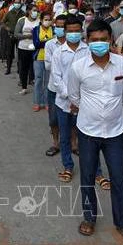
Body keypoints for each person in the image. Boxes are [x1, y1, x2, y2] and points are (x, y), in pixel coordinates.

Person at [67, 20, 123, 245]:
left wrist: (109, 111)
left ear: (110, 40)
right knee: (88, 177)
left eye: (103, 39)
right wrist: (93, 111)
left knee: (119, 178)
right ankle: (89, 217)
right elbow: (74, 97)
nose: (99, 44)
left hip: (115, 132)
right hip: (88, 130)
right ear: (87, 41)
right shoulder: (78, 67)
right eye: (94, 40)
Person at [51, 15, 88, 182]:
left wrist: (79, 99)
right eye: (70, 31)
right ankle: (68, 166)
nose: (73, 34)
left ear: (81, 31)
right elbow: (56, 78)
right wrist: (71, 97)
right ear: (65, 32)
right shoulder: (59, 52)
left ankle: (95, 170)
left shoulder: (88, 50)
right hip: (63, 102)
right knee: (65, 136)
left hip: (85, 102)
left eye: (77, 31)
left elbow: (90, 76)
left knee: (87, 137)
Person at [44, 14, 67, 157]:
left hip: (72, 88)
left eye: (62, 27)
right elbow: (48, 66)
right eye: (57, 26)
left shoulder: (79, 46)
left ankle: (73, 144)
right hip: (54, 87)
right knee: (53, 118)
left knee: (73, 118)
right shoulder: (50, 44)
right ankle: (55, 143)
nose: (60, 29)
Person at [15, 6, 39, 96]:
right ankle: (24, 87)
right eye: (34, 10)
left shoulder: (39, 21)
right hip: (23, 47)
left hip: (35, 48)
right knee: (24, 68)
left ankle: (33, 82)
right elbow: (16, 34)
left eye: (37, 11)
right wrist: (27, 36)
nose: (35, 12)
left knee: (35, 68)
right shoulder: (22, 20)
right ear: (29, 11)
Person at [31, 11, 53, 111]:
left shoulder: (54, 30)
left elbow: (55, 44)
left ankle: (47, 102)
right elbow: (36, 44)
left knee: (48, 81)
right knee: (38, 80)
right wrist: (49, 41)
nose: (47, 21)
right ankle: (37, 102)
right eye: (46, 20)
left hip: (50, 59)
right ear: (41, 20)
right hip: (38, 58)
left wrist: (43, 42)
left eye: (49, 20)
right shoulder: (36, 29)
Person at [1, 0, 25, 75]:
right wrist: (6, 28)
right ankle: (8, 68)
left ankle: (19, 69)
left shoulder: (23, 14)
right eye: (16, 2)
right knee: (9, 53)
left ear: (21, 4)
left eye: (18, 3)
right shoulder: (9, 13)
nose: (17, 4)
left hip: (19, 36)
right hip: (10, 35)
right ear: (13, 4)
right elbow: (3, 22)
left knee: (20, 54)